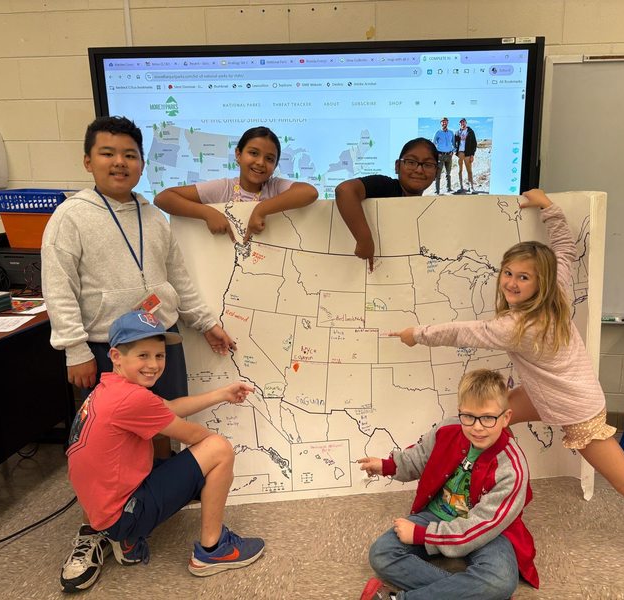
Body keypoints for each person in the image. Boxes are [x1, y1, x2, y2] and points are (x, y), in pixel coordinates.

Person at [392, 189, 624, 593]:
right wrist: (549, 210)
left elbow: (463, 331)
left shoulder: (518, 327)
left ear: (538, 283)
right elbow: (564, 251)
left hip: (576, 410)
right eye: (508, 272)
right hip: (553, 394)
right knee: (483, 423)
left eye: (523, 277)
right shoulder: (556, 290)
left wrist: (416, 334)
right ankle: (466, 498)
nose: (511, 282)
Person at [41, 115, 236, 592]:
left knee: (159, 433)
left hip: (161, 338)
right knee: (106, 448)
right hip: (108, 348)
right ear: (88, 160)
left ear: (142, 164)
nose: (119, 163)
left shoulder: (153, 215)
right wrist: (75, 350)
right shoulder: (71, 217)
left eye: (130, 155)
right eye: (108, 153)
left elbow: (178, 278)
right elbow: (59, 288)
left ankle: (142, 517)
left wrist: (204, 321)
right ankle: (100, 527)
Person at [61, 309, 264, 593]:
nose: (154, 365)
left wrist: (221, 394)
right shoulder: (132, 399)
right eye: (143, 356)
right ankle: (213, 550)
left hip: (101, 510)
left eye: (159, 356)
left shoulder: (110, 387)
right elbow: (194, 435)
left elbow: (166, 409)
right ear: (117, 356)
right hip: (122, 515)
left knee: (200, 459)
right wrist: (209, 463)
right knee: (218, 449)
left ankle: (126, 539)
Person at [357, 369, 538, 600]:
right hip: (436, 514)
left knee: (500, 581)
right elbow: (419, 457)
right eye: (468, 416)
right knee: (381, 553)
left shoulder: (512, 468)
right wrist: (387, 466)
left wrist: (423, 535)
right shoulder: (447, 429)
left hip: (487, 530)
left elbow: (481, 525)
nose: (477, 427)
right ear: (460, 412)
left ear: (506, 417)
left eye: (488, 418)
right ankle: (474, 595)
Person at [154, 126, 318, 242]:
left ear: (275, 166)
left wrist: (261, 209)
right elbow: (163, 198)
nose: (260, 162)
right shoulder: (225, 188)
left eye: (269, 159)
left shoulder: (275, 187)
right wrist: (207, 213)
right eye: (253, 153)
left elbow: (309, 192)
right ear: (238, 155)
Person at [335, 138, 439, 272]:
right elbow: (345, 191)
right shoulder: (386, 186)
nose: (419, 170)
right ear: (397, 166)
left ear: (437, 172)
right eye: (411, 162)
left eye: (428, 165)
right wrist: (364, 241)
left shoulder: (428, 210)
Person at [432, 117, 454, 194]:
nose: (444, 123)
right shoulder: (437, 132)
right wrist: (436, 153)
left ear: (447, 122)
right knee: (438, 174)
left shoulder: (451, 133)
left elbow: (454, 144)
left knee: (448, 173)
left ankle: (449, 189)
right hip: (440, 156)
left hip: (449, 156)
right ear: (441, 123)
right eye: (443, 122)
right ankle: (437, 191)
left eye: (445, 122)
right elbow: (433, 144)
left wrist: (453, 151)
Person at [454, 118, 477, 193]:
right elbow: (454, 143)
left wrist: (472, 154)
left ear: (466, 123)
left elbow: (474, 143)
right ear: (459, 124)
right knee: (460, 170)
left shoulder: (470, 131)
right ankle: (461, 187)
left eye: (463, 122)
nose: (462, 124)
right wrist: (455, 151)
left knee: (469, 170)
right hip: (460, 153)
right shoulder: (457, 132)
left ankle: (471, 187)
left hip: (468, 153)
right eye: (461, 123)